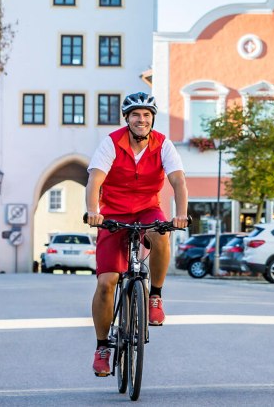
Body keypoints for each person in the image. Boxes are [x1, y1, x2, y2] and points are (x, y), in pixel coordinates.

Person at [84, 92, 189, 377]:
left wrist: (181, 214)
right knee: (106, 282)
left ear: (152, 119)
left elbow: (178, 181)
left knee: (161, 233)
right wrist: (93, 211)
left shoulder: (163, 144)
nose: (141, 120)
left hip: (147, 209)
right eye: (135, 115)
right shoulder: (111, 143)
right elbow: (95, 180)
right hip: (113, 214)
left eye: (146, 115)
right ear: (127, 119)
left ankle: (155, 295)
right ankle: (102, 347)